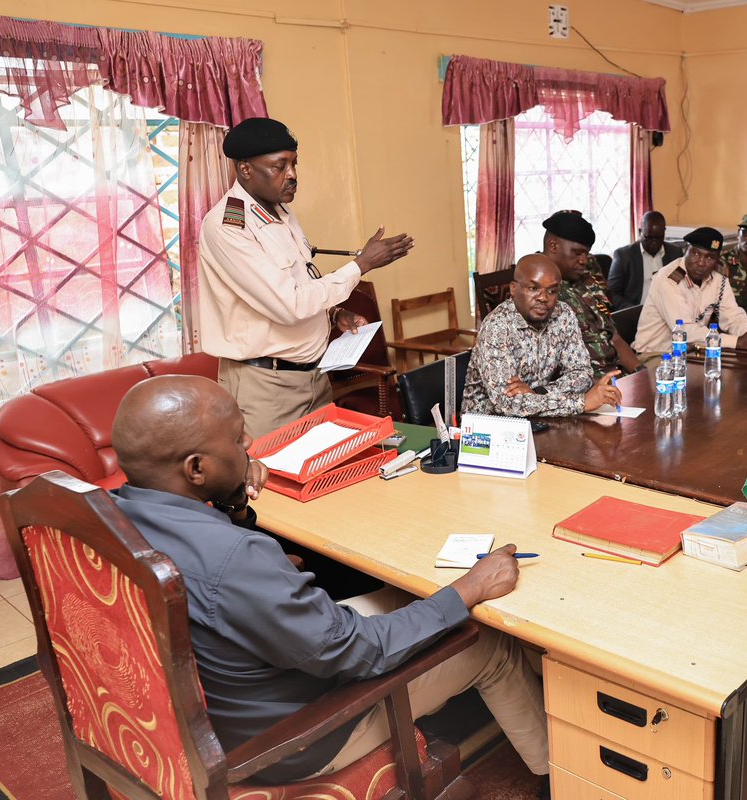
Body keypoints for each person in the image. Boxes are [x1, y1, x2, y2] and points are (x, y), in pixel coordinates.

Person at [109, 375, 549, 785]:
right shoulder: (235, 560)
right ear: (196, 469)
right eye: (236, 438)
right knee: (486, 638)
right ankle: (560, 775)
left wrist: (234, 503)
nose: (249, 446)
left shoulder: (114, 514)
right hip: (289, 736)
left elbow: (221, 583)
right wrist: (470, 587)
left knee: (397, 597)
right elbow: (361, 652)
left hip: (221, 693)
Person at [198, 117, 414, 439]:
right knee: (272, 483)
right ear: (245, 170)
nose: (293, 175)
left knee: (325, 474)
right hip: (266, 387)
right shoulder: (229, 227)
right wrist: (361, 265)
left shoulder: (282, 214)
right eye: (280, 166)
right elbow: (290, 305)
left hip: (313, 378)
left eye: (295, 164)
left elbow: (299, 285)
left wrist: (333, 315)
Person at [463, 255, 621, 417]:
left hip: (541, 420)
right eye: (533, 288)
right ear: (514, 289)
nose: (543, 298)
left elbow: (582, 374)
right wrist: (581, 403)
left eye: (552, 291)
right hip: (488, 428)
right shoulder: (497, 326)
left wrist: (539, 392)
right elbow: (507, 403)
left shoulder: (563, 314)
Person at [633, 227, 747, 357]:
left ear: (717, 260)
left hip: (692, 352)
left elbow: (732, 316)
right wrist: (738, 342)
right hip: (655, 355)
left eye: (710, 257)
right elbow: (685, 331)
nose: (701, 262)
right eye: (696, 253)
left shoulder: (718, 280)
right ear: (686, 250)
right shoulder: (668, 279)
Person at [542, 211, 645, 377]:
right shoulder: (536, 289)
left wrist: (641, 373)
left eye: (586, 253)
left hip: (615, 376)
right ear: (553, 246)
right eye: (577, 253)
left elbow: (614, 338)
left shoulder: (585, 282)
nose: (584, 260)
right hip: (584, 388)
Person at [606, 210, 683, 309]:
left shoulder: (675, 253)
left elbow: (678, 284)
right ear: (640, 232)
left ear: (664, 232)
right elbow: (612, 293)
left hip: (667, 311)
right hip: (635, 313)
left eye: (658, 238)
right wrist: (633, 311)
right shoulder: (624, 256)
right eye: (649, 237)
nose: (654, 242)